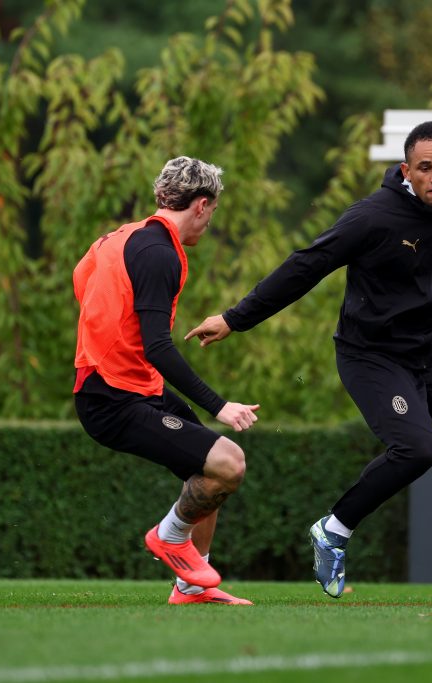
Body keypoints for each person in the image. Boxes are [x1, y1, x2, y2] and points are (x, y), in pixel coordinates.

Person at [185, 121, 432, 605]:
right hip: (372, 355)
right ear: (407, 170)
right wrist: (235, 318)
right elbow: (306, 266)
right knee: (418, 448)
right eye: (425, 167)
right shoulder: (372, 216)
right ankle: (333, 530)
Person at [73, 156, 260, 606]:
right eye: (212, 213)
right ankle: (168, 536)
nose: (208, 223)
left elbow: (82, 283)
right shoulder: (159, 254)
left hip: (131, 386)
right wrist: (220, 406)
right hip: (113, 397)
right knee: (230, 463)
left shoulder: (116, 239)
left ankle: (192, 586)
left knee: (208, 470)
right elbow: (159, 346)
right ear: (200, 204)